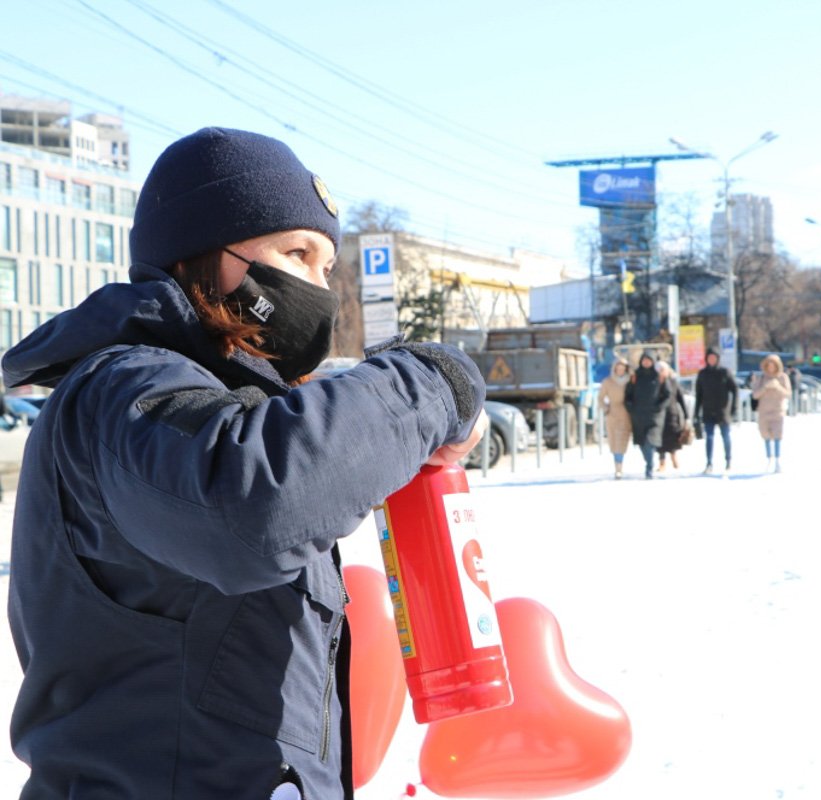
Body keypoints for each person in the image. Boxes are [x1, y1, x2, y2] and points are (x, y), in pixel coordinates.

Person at [1, 127, 487, 800]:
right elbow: (257, 504)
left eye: (327, 266)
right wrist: (434, 384)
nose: (321, 288)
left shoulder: (227, 412)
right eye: (297, 253)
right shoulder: (121, 389)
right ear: (206, 254)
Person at [623, 350, 670, 479]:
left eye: (649, 360)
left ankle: (649, 467)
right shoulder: (635, 377)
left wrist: (659, 407)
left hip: (654, 416)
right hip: (638, 416)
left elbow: (667, 395)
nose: (646, 362)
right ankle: (648, 461)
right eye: (644, 360)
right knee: (642, 443)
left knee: (650, 440)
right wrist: (630, 407)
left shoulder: (659, 377)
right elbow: (628, 395)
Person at [693, 347, 739, 474]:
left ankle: (728, 461)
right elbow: (699, 395)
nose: (712, 360)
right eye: (709, 357)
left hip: (723, 411)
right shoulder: (702, 374)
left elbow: (735, 389)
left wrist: (734, 407)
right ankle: (709, 463)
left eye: (714, 357)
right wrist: (696, 413)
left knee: (725, 436)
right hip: (708, 411)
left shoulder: (724, 372)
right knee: (709, 437)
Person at [750, 353, 791, 472]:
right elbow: (755, 394)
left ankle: (778, 460)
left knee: (778, 436)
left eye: (773, 365)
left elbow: (788, 394)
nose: (771, 367)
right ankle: (769, 459)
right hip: (764, 411)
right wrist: (765, 387)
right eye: (769, 365)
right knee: (766, 435)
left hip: (778, 411)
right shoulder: (761, 378)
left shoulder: (782, 377)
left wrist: (777, 387)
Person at [599, 357, 633, 478]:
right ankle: (617, 467)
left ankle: (620, 464)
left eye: (623, 369)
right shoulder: (607, 382)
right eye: (618, 368)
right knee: (614, 441)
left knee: (622, 441)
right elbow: (600, 398)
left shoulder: (630, 381)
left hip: (627, 414)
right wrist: (606, 408)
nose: (620, 371)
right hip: (613, 414)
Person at [654, 361, 690, 472]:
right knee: (660, 439)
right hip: (659, 414)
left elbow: (680, 399)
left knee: (673, 438)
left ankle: (674, 458)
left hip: (672, 414)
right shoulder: (654, 383)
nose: (661, 372)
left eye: (663, 370)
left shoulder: (673, 382)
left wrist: (686, 414)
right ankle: (662, 462)